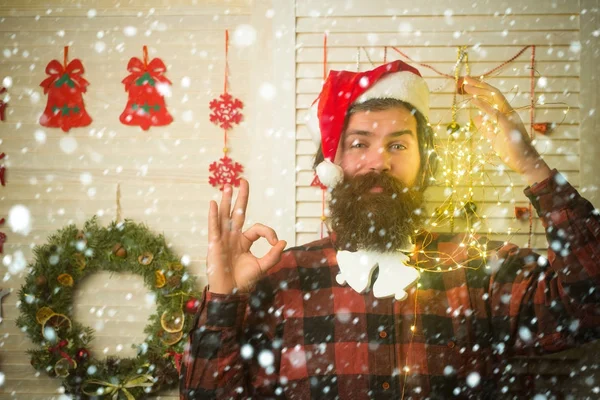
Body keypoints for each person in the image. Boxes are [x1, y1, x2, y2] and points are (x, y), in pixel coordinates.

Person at [180, 60, 600, 399]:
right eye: (359, 143)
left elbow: (590, 307)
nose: (379, 162)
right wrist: (223, 298)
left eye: (398, 144)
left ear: (424, 165)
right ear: (331, 168)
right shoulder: (276, 280)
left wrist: (531, 166)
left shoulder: (478, 267)